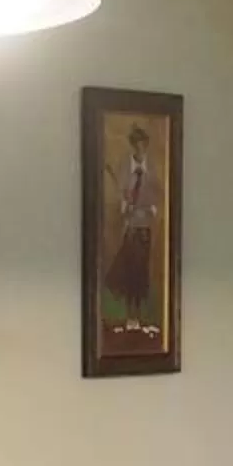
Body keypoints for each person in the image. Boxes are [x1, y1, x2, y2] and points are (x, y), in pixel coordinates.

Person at [100, 122, 163, 338]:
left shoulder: (152, 172)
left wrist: (143, 209)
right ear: (132, 146)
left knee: (140, 271)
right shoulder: (122, 168)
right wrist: (126, 206)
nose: (140, 150)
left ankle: (138, 315)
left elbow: (155, 207)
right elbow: (120, 205)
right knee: (126, 270)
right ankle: (127, 315)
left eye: (143, 145)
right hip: (129, 230)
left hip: (144, 229)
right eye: (136, 145)